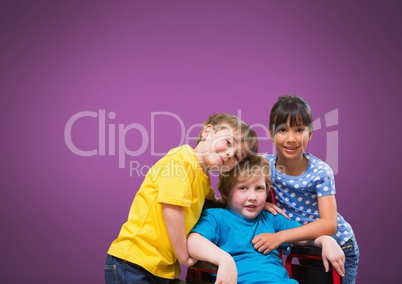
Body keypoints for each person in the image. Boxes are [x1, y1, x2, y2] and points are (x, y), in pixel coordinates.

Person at [105, 113, 259, 284]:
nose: (230, 154)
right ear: (208, 132)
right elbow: (172, 209)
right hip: (134, 261)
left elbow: (217, 205)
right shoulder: (182, 160)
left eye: (237, 156)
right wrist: (183, 254)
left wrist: (254, 202)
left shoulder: (202, 178)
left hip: (159, 267)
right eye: (229, 142)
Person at [188, 155, 345, 284]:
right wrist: (224, 259)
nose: (252, 197)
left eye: (259, 189)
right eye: (243, 188)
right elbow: (192, 241)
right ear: (225, 193)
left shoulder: (271, 218)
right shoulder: (216, 218)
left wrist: (325, 241)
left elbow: (303, 236)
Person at [255, 95, 359, 284]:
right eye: (282, 130)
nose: (291, 138)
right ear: (270, 133)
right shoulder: (264, 165)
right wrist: (262, 204)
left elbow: (329, 224)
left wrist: (281, 237)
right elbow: (237, 188)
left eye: (300, 130)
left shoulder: (320, 172)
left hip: (337, 245)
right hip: (303, 245)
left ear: (310, 134)